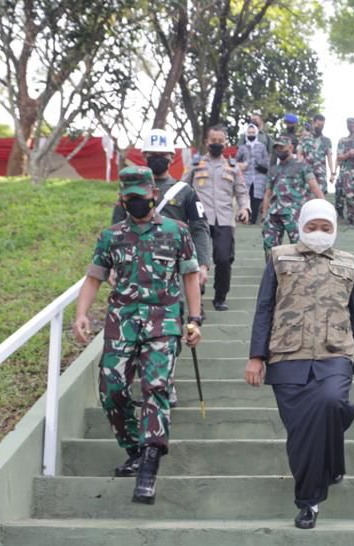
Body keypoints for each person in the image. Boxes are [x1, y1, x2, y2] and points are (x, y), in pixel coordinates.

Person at [74, 166, 204, 504]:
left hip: (163, 322)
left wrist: (194, 319)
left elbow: (190, 277)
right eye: (129, 197)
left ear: (154, 195)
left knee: (156, 387)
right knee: (111, 389)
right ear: (122, 199)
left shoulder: (177, 231)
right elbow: (94, 277)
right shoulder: (111, 236)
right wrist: (81, 314)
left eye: (141, 197)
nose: (135, 202)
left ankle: (149, 463)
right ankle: (134, 448)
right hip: (122, 323)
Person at [245, 198, 354, 529]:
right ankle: (330, 466)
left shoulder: (348, 263)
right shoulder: (279, 256)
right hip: (287, 356)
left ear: (335, 229)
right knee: (301, 433)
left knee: (333, 402)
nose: (319, 232)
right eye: (312, 226)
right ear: (301, 225)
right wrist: (256, 357)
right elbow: (264, 308)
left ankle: (308, 502)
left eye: (326, 227)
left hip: (336, 354)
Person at [112, 129, 211, 291]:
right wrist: (113, 262)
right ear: (144, 156)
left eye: (162, 154)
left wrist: (202, 264)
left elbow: (199, 228)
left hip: (175, 267)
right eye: (153, 154)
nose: (157, 158)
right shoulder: (129, 190)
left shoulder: (185, 191)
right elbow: (116, 226)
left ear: (172, 157)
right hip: (137, 266)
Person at [184, 124, 251, 312]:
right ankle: (197, 299)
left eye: (220, 141)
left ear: (225, 143)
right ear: (207, 142)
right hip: (199, 219)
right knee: (198, 261)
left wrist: (245, 208)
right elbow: (183, 187)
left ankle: (220, 297)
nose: (217, 144)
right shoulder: (195, 164)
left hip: (224, 219)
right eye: (213, 141)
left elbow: (241, 191)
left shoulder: (232, 167)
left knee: (223, 259)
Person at [260, 134, 324, 255]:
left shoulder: (302, 166)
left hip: (294, 213)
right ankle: (271, 268)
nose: (279, 150)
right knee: (269, 247)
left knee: (300, 247)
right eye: (277, 148)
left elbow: (314, 187)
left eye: (282, 147)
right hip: (274, 213)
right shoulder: (273, 170)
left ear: (290, 147)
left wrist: (324, 207)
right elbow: (268, 194)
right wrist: (264, 215)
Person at [237, 123, 269, 223]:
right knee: (246, 196)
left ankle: (254, 220)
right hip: (246, 176)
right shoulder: (242, 147)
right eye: (249, 133)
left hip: (259, 177)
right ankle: (246, 217)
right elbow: (235, 161)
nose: (251, 134)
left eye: (253, 132)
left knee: (257, 198)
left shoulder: (262, 146)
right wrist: (242, 165)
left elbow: (267, 162)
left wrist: (259, 162)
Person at [300, 113, 334, 195]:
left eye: (322, 125)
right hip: (307, 173)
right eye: (318, 125)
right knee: (306, 197)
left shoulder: (326, 140)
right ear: (313, 123)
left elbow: (329, 157)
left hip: (320, 174)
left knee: (320, 197)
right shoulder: (305, 138)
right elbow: (300, 155)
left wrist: (332, 174)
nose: (320, 127)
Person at [333, 117, 354, 218]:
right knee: (339, 190)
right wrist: (348, 154)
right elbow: (339, 157)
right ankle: (340, 211)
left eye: (352, 123)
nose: (350, 126)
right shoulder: (343, 141)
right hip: (345, 170)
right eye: (348, 124)